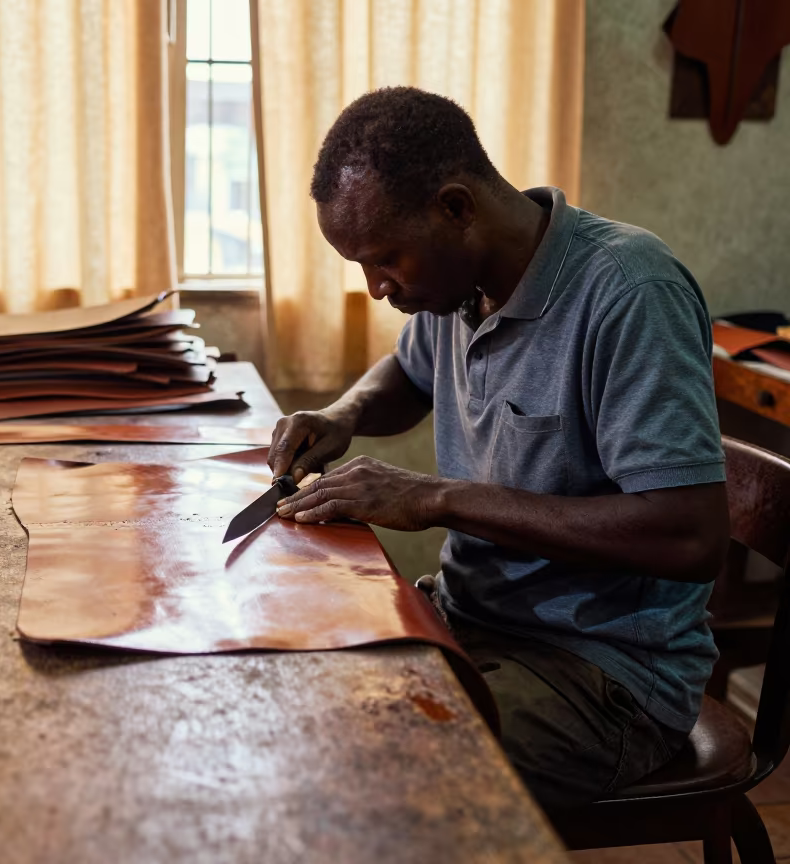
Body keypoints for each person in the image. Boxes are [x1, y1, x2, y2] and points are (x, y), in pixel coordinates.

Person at [268, 86, 729, 809]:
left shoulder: (629, 293)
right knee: (289, 694)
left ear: (456, 208)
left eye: (386, 259)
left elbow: (690, 536)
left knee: (362, 784)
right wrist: (343, 413)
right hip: (472, 619)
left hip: (605, 673)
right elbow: (409, 375)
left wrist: (436, 498)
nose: (377, 287)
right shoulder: (456, 285)